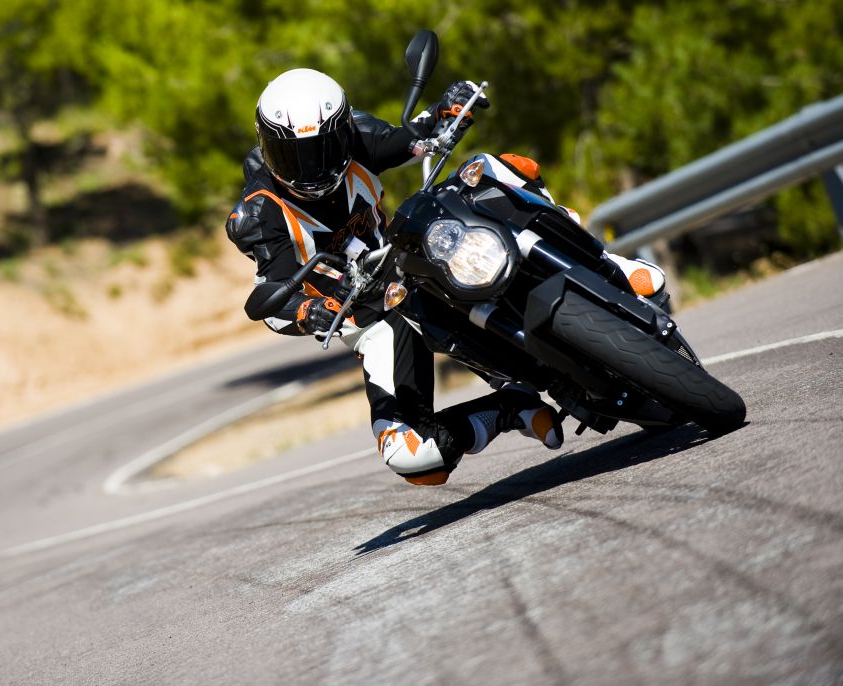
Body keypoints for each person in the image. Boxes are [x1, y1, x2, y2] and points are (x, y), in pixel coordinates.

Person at [226, 68, 667, 486]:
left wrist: (448, 109)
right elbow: (270, 294)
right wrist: (311, 311)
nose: (311, 168)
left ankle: (609, 266)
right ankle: (508, 408)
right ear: (266, 145)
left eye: (322, 149)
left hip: (411, 255)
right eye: (293, 155)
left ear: (341, 131)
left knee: (495, 169)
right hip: (365, 313)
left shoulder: (355, 136)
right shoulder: (257, 214)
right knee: (414, 458)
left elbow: (410, 138)